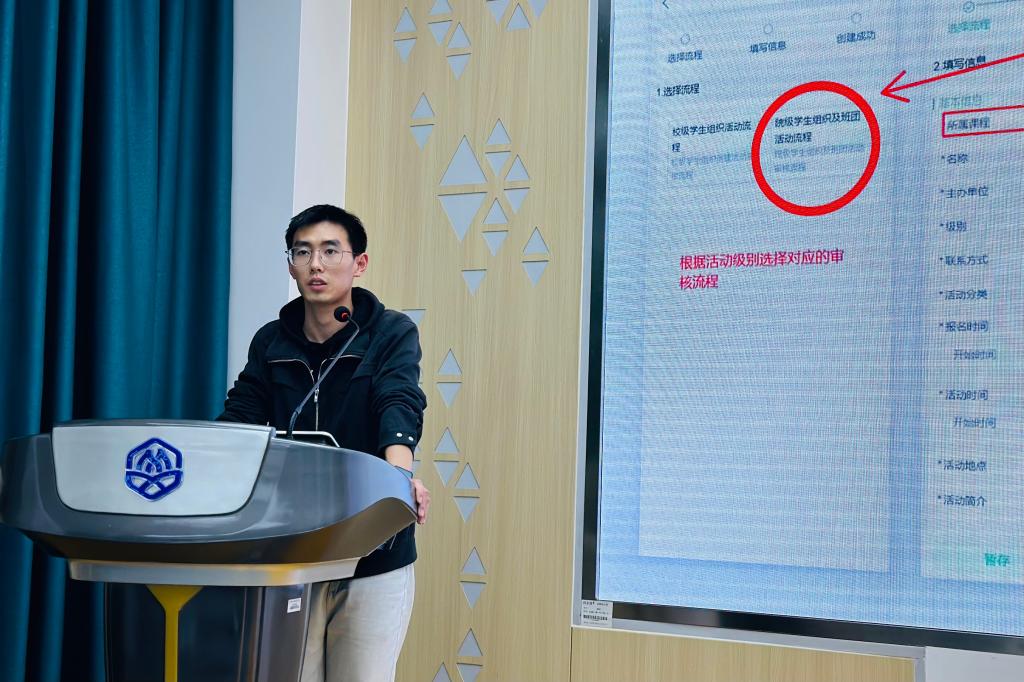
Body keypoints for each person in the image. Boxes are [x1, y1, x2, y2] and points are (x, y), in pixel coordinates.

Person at [218, 204, 430, 682]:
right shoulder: (271, 342)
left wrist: (400, 476)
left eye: (331, 251)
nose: (316, 264)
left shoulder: (390, 332)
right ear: (290, 266)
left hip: (373, 550)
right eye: (303, 252)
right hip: (293, 549)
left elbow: (399, 402)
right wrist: (210, 465)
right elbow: (241, 416)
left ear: (359, 263)